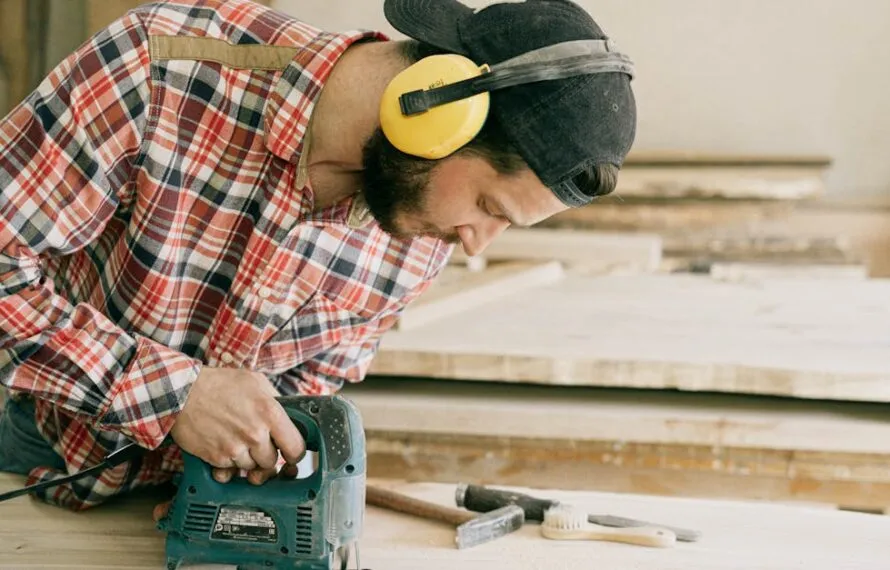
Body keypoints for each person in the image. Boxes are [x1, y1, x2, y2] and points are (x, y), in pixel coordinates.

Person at [0, 0, 636, 511]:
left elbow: (305, 386)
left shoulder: (415, 220)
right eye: (493, 208)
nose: (476, 244)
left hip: (181, 505)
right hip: (36, 458)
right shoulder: (161, 69)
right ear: (435, 114)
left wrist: (248, 484)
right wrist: (174, 395)